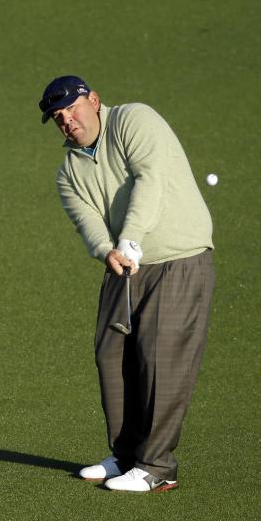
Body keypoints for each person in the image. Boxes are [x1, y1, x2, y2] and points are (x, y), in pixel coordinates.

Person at [38, 75, 215, 492]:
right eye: (57, 117)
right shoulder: (69, 172)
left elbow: (148, 180)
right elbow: (88, 224)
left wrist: (129, 239)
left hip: (179, 256)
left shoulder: (134, 119)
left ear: (93, 100)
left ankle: (156, 468)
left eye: (71, 109)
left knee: (161, 360)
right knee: (111, 355)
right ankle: (125, 456)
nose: (66, 120)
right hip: (126, 264)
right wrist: (108, 251)